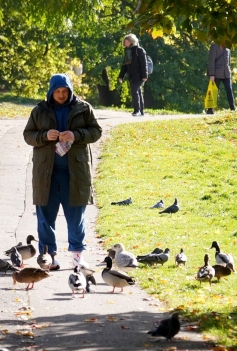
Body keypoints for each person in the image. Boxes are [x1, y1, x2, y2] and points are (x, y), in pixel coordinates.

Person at [22, 74, 102, 270]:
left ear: (70, 91)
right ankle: (50, 256)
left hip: (75, 173)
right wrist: (44, 136)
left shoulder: (84, 108)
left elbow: (96, 131)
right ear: (51, 91)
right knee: (45, 218)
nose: (61, 95)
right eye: (57, 91)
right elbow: (28, 135)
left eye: (64, 91)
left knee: (76, 217)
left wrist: (76, 134)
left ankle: (77, 256)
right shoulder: (39, 111)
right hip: (46, 174)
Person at [116, 34, 148, 116]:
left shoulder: (139, 50)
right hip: (131, 75)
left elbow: (144, 64)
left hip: (139, 75)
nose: (125, 43)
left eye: (127, 41)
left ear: (131, 41)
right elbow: (124, 65)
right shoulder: (127, 52)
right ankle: (141, 111)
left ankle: (136, 110)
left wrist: (144, 76)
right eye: (125, 41)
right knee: (138, 91)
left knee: (134, 91)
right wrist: (121, 76)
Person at [207, 43, 235, 112]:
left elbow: (229, 62)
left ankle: (233, 108)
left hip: (226, 74)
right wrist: (212, 74)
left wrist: (229, 72)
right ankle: (210, 109)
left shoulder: (228, 47)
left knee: (229, 90)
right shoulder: (214, 46)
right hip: (216, 73)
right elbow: (211, 61)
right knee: (214, 92)